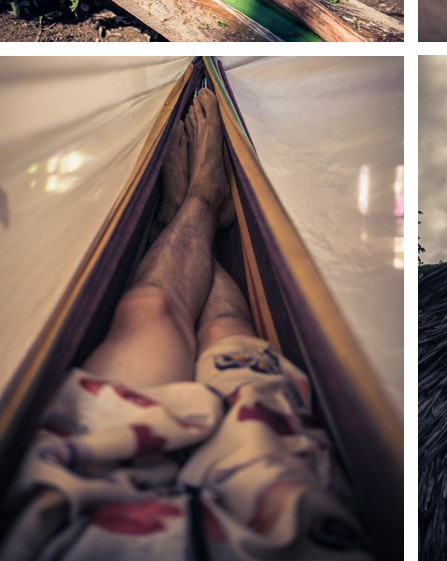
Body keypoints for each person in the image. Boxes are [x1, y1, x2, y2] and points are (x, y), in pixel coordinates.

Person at [0, 89, 372, 561]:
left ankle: (184, 209)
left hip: (79, 523)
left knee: (149, 308)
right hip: (277, 521)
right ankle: (201, 201)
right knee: (223, 331)